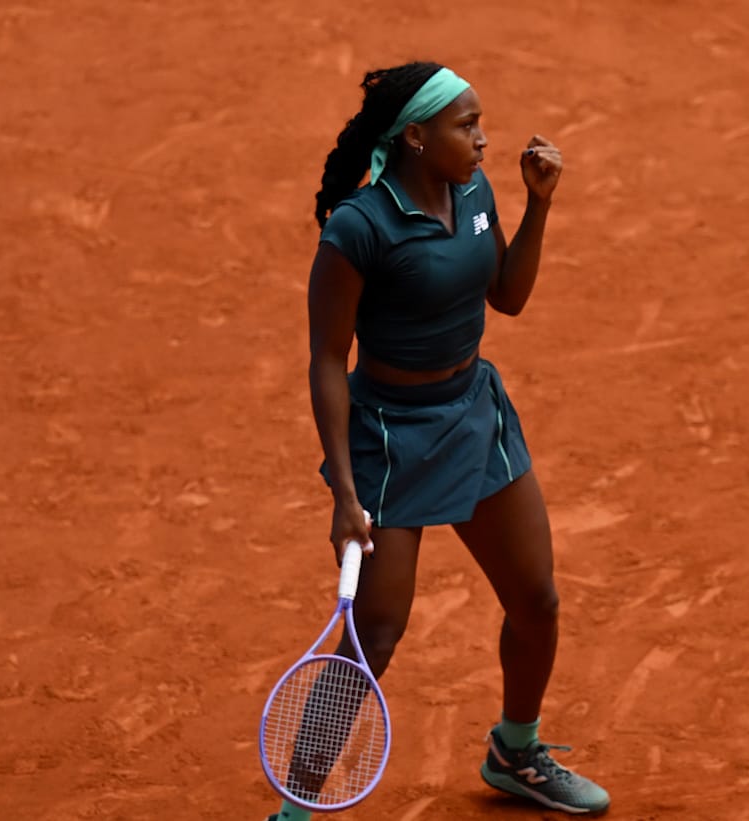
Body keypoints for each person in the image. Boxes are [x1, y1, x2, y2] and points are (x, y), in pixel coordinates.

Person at [265, 61, 610, 819]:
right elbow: (328, 359)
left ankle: (516, 750)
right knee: (375, 633)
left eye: (481, 122)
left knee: (537, 598)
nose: (483, 139)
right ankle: (295, 809)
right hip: (389, 439)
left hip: (474, 414)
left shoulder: (475, 193)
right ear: (415, 136)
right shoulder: (358, 228)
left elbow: (508, 299)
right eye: (466, 126)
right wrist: (345, 495)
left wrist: (538, 207)